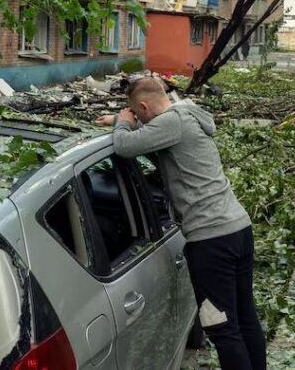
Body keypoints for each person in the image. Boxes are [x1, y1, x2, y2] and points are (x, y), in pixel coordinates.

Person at [95, 77, 266, 370]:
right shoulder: (186, 115)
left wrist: (122, 123)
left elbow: (123, 147)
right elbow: (152, 134)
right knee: (245, 318)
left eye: (138, 113)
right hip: (238, 229)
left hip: (211, 241)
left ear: (143, 106)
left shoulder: (170, 123)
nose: (139, 119)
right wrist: (122, 121)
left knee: (222, 327)